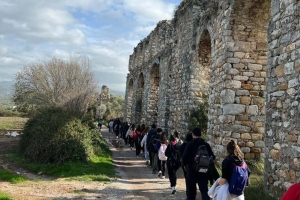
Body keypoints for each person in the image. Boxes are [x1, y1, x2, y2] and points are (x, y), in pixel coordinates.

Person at [182, 127, 215, 200]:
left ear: (193, 135)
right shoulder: (206, 144)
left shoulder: (190, 144)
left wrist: (185, 165)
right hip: (203, 171)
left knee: (191, 192)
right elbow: (212, 157)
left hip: (192, 171)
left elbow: (184, 157)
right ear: (201, 134)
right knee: (204, 191)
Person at [179, 131, 193, 199]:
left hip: (186, 165)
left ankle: (188, 195)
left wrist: (184, 164)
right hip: (193, 165)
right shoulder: (193, 144)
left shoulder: (183, 145)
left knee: (187, 180)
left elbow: (181, 155)